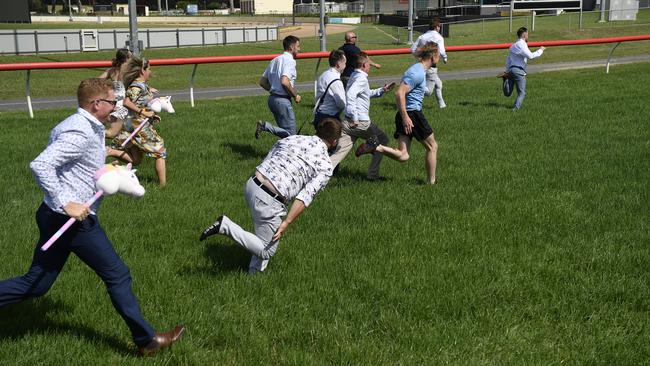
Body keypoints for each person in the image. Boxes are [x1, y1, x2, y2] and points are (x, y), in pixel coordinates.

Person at [0, 78, 184, 356]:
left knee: (36, 284)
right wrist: (66, 203)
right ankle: (147, 341)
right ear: (96, 104)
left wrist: (103, 167)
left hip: (53, 216)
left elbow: (73, 164)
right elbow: (41, 165)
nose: (116, 106)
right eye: (112, 102)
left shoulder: (86, 125)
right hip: (72, 222)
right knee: (118, 275)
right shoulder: (79, 131)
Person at [199, 118, 342, 274]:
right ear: (334, 142)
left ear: (317, 131)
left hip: (252, 184)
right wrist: (286, 222)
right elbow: (305, 197)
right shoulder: (326, 165)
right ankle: (225, 226)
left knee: (265, 237)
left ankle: (254, 274)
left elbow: (271, 154)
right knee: (267, 250)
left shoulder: (293, 138)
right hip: (269, 198)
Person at [356, 42, 440, 185]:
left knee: (403, 156)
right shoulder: (417, 72)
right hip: (412, 114)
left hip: (406, 114)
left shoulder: (418, 70)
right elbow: (399, 93)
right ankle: (431, 182)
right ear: (433, 56)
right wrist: (406, 117)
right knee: (432, 147)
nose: (440, 57)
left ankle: (376, 147)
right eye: (439, 54)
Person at [329, 52, 394, 181]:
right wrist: (355, 117)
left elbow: (363, 93)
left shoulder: (354, 75)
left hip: (347, 123)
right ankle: (372, 173)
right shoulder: (361, 78)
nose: (370, 66)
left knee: (338, 154)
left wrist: (381, 90)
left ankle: (318, 174)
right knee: (383, 140)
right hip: (360, 123)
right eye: (369, 64)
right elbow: (351, 95)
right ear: (364, 64)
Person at [109, 57, 167, 186]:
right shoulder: (136, 87)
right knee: (160, 151)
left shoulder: (142, 86)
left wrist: (151, 115)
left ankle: (110, 151)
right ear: (142, 71)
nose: (150, 71)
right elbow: (126, 102)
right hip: (137, 127)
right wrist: (143, 113)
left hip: (136, 125)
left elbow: (141, 103)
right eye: (149, 68)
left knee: (136, 160)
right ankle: (163, 186)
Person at [256, 35, 301, 139]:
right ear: (291, 47)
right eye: (298, 46)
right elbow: (285, 82)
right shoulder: (290, 61)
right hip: (283, 101)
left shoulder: (275, 60)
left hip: (272, 100)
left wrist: (273, 90)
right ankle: (265, 126)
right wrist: (295, 96)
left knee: (285, 135)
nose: (299, 49)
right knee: (292, 136)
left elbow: (262, 82)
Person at [502, 27, 546, 110]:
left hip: (511, 70)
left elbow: (508, 60)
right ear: (524, 34)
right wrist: (541, 50)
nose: (528, 36)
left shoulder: (512, 46)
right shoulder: (521, 45)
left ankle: (505, 80)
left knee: (507, 93)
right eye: (527, 34)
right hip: (518, 71)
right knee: (522, 93)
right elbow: (531, 56)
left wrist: (507, 71)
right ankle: (515, 109)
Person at [411, 19, 448, 109]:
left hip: (421, 64)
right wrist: (445, 58)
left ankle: (442, 105)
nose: (440, 28)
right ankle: (410, 88)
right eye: (439, 26)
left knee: (439, 84)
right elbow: (442, 50)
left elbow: (412, 49)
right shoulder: (439, 37)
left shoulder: (422, 36)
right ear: (436, 27)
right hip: (431, 66)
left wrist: (419, 55)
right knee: (428, 92)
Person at [312, 49, 346, 129]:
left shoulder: (323, 75)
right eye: (344, 63)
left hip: (319, 115)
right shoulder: (336, 81)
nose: (345, 66)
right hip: (329, 119)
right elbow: (341, 104)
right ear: (338, 64)